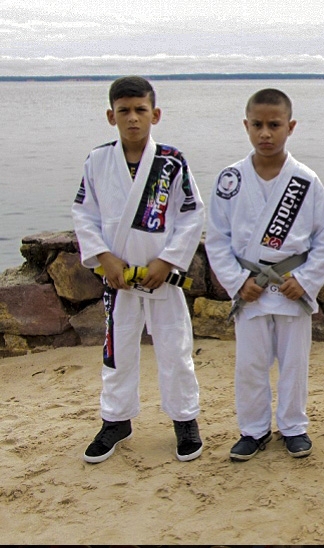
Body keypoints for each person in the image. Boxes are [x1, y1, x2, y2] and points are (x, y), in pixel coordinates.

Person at [72, 76, 205, 464]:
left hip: (161, 277)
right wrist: (103, 257)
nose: (133, 118)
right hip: (118, 279)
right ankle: (116, 419)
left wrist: (168, 260)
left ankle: (184, 419)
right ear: (111, 115)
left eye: (140, 110)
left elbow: (192, 213)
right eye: (124, 111)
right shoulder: (97, 161)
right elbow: (84, 213)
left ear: (155, 114)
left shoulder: (171, 161)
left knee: (176, 351)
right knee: (118, 352)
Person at [205, 88, 324, 461]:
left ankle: (293, 426)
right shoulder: (230, 180)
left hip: (291, 287)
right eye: (258, 125)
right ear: (246, 126)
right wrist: (236, 282)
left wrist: (306, 280)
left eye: (274, 125)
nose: (266, 133)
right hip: (251, 290)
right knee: (250, 364)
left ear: (290, 127)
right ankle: (254, 429)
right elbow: (217, 238)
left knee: (294, 363)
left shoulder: (306, 180)